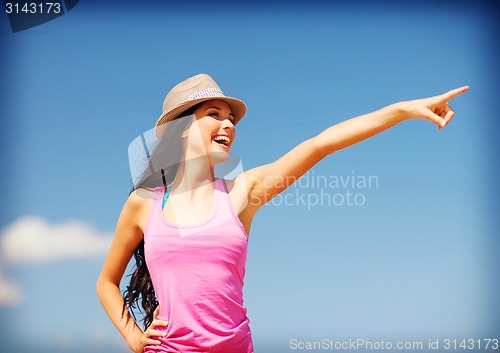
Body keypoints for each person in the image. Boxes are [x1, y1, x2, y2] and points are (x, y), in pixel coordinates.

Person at [96, 74, 468, 353]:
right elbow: (106, 282)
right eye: (214, 115)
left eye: (231, 119)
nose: (228, 125)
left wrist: (403, 110)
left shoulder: (243, 193)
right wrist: (133, 335)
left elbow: (321, 144)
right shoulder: (144, 203)